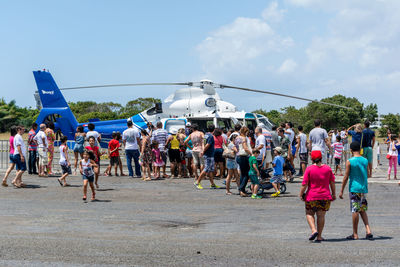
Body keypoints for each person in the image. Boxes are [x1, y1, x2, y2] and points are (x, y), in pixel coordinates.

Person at [339, 141, 373, 240]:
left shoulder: (350, 161)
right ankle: (368, 230)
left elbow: (346, 176)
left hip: (354, 188)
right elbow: (368, 174)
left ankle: (355, 234)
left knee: (355, 210)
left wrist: (341, 190)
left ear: (351, 150)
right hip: (363, 188)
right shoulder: (365, 160)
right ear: (360, 149)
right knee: (362, 209)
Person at [299, 150, 336, 242]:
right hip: (325, 196)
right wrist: (333, 193)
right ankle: (319, 236)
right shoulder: (328, 169)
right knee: (321, 216)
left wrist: (300, 194)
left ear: (312, 159)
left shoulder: (309, 169)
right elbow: (332, 182)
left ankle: (313, 230)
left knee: (309, 213)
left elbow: (305, 184)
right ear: (321, 158)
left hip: (311, 196)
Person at [194, 124, 219, 189]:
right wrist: (203, 151)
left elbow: (203, 143)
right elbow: (207, 145)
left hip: (208, 154)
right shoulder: (211, 136)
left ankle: (212, 184)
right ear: (214, 129)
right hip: (209, 155)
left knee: (210, 170)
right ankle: (197, 182)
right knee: (206, 169)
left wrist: (203, 150)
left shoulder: (206, 135)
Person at [236, 126, 252, 197]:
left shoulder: (237, 138)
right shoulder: (244, 138)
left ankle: (241, 189)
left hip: (238, 156)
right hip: (243, 156)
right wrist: (251, 153)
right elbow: (245, 148)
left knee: (242, 173)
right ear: (245, 132)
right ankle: (241, 189)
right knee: (246, 174)